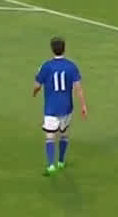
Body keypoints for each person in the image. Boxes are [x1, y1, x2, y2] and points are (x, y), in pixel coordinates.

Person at [32, 36, 87, 176]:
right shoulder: (71, 66)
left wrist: (34, 92)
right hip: (67, 107)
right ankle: (61, 161)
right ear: (64, 49)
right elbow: (78, 88)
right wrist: (83, 106)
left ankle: (51, 165)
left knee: (50, 136)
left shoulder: (46, 66)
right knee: (64, 134)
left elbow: (37, 85)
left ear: (52, 49)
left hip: (51, 108)